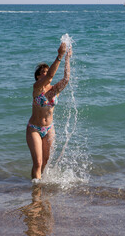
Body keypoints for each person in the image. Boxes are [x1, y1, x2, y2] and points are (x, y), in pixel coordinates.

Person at [26, 42, 72, 179]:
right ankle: (36, 195)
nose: (47, 75)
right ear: (39, 77)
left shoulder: (54, 90)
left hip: (49, 128)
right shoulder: (37, 88)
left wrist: (67, 59)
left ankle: (38, 187)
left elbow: (66, 79)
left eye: (47, 72)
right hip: (34, 128)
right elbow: (51, 76)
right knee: (38, 163)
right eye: (43, 73)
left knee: (45, 162)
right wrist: (60, 55)